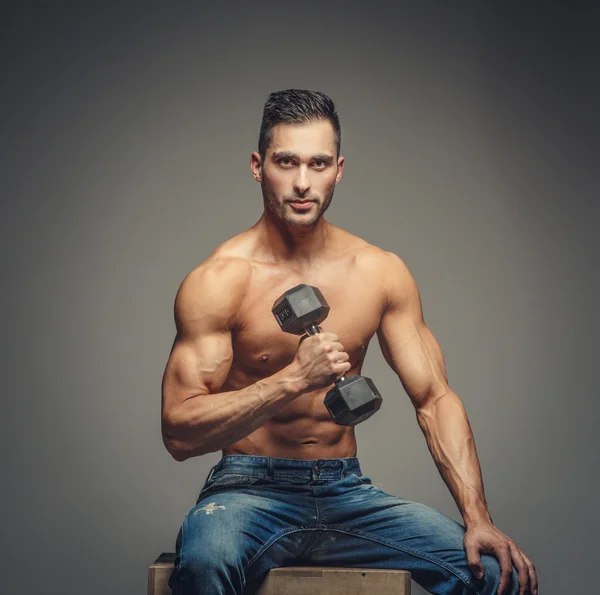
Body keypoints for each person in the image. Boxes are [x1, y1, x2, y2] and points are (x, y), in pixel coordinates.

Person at [161, 89, 538, 595]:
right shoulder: (219, 281)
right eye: (285, 162)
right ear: (257, 166)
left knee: (496, 576)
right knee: (205, 565)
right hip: (246, 492)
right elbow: (180, 433)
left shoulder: (378, 271)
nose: (301, 182)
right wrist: (294, 379)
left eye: (317, 164)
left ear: (338, 170)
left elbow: (435, 399)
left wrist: (478, 517)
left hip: (346, 490)